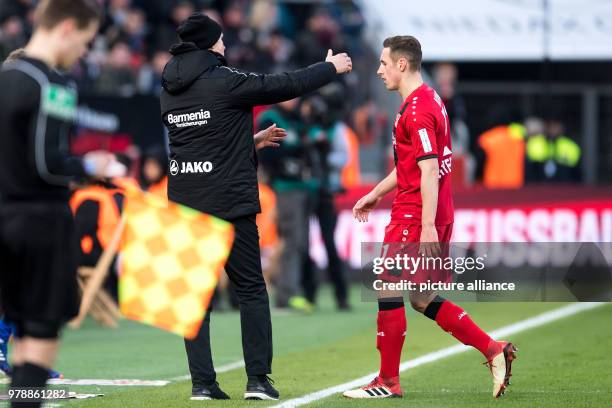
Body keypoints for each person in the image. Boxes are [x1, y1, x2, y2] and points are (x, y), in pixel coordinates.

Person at [159, 12, 352, 401]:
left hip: (186, 202)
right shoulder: (227, 80)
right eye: (222, 40)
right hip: (230, 202)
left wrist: (249, 141)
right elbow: (285, 84)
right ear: (211, 44)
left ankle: (202, 384)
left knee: (196, 299)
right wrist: (329, 68)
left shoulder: (169, 88)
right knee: (250, 289)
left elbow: (202, 141)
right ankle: (258, 381)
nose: (226, 45)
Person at [343, 36, 516, 399]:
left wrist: (424, 227)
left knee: (386, 284)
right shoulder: (428, 99)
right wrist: (374, 194)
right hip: (430, 210)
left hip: (416, 212)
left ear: (402, 65)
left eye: (384, 63)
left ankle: (387, 381)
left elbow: (429, 170)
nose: (379, 70)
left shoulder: (419, 109)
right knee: (421, 297)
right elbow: (412, 165)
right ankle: (492, 348)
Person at [0, 1, 124, 407]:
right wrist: (90, 164)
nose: (85, 53)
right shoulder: (54, 84)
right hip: (38, 221)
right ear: (68, 28)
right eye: (86, 42)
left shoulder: (5, 77)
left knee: (14, 327)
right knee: (37, 338)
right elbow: (47, 165)